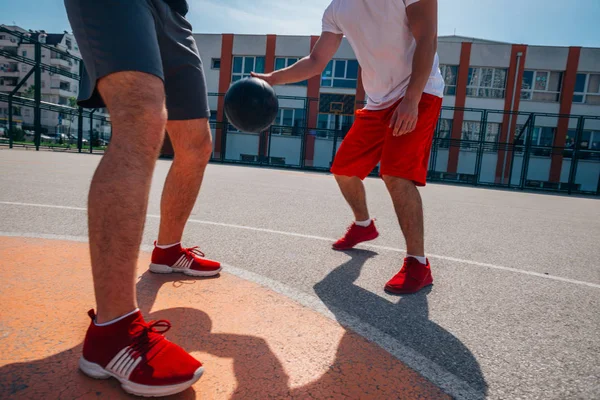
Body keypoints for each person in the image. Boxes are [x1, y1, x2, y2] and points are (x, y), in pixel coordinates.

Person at [64, 0, 220, 396]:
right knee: (142, 115)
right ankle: (111, 333)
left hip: (172, 10)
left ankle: (168, 251)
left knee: (196, 145)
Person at [252, 0, 444, 295]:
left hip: (419, 91)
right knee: (343, 169)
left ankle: (418, 264)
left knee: (395, 174)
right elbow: (316, 62)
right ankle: (364, 224)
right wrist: (274, 78)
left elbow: (427, 39)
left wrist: (412, 98)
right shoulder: (337, 9)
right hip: (378, 101)